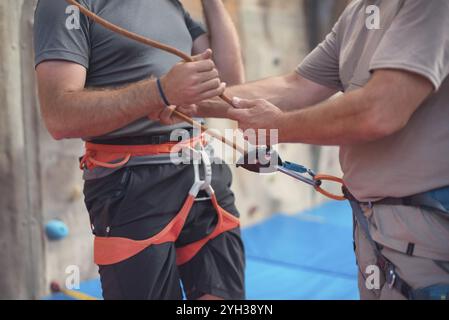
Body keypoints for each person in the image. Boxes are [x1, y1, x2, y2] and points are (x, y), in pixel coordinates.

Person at [188, 0, 449, 300]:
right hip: (373, 229)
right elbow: (295, 86)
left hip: (428, 232)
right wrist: (188, 102)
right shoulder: (359, 12)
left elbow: (380, 110)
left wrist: (278, 126)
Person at [34, 0, 245, 300]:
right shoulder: (66, 5)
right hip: (132, 184)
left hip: (203, 170)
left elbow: (229, 83)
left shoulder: (169, 4)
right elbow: (58, 116)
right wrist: (159, 92)